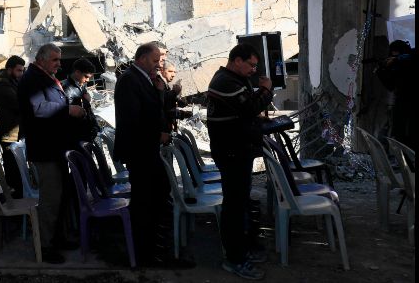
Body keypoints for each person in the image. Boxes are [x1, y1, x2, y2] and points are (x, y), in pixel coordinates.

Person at [113, 42, 194, 268]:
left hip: (145, 148)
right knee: (146, 200)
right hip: (139, 149)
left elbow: (152, 109)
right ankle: (148, 254)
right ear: (141, 59)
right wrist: (157, 134)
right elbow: (134, 118)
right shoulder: (130, 80)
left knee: (157, 194)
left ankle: (154, 249)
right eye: (155, 60)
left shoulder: (143, 78)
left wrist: (160, 93)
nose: (159, 65)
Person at [206, 44, 273, 280]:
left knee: (240, 202)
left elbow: (246, 108)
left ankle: (242, 249)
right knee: (234, 207)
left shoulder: (234, 79)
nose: (254, 70)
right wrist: (266, 90)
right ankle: (234, 259)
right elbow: (249, 108)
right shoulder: (225, 82)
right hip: (231, 152)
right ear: (237, 61)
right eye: (251, 65)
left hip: (238, 151)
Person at [18, 43, 84, 264]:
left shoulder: (44, 76)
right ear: (41, 59)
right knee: (51, 200)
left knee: (61, 197)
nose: (58, 64)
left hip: (56, 148)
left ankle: (58, 238)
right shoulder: (32, 79)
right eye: (55, 60)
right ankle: (45, 246)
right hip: (45, 150)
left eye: (59, 59)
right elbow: (39, 109)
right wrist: (68, 110)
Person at [0, 55, 26, 198]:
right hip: (9, 133)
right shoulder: (3, 86)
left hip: (15, 131)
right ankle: (15, 198)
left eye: (22, 71)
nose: (21, 74)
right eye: (19, 70)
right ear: (10, 70)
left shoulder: (13, 83)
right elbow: (19, 104)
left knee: (17, 166)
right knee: (13, 167)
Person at [375, 39, 415, 150]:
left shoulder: (410, 57)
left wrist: (397, 60)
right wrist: (381, 71)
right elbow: (391, 85)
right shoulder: (398, 65)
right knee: (399, 133)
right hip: (401, 102)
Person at [61, 58, 100, 144]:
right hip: (76, 138)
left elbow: (88, 109)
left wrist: (95, 126)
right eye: (86, 76)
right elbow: (69, 118)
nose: (88, 80)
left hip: (85, 135)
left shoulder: (80, 86)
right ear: (77, 72)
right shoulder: (67, 88)